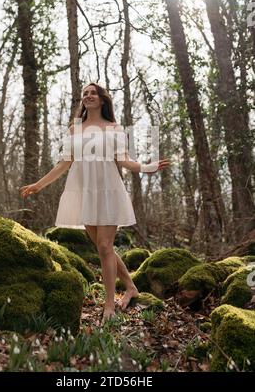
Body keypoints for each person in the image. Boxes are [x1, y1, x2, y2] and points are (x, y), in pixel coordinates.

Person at [20, 82, 169, 325]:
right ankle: (131, 287)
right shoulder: (75, 129)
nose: (88, 96)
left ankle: (109, 304)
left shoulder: (114, 128)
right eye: (84, 94)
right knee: (104, 248)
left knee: (104, 246)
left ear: (102, 99)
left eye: (93, 93)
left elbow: (124, 160)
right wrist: (38, 185)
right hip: (83, 191)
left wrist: (147, 167)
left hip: (108, 190)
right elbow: (63, 163)